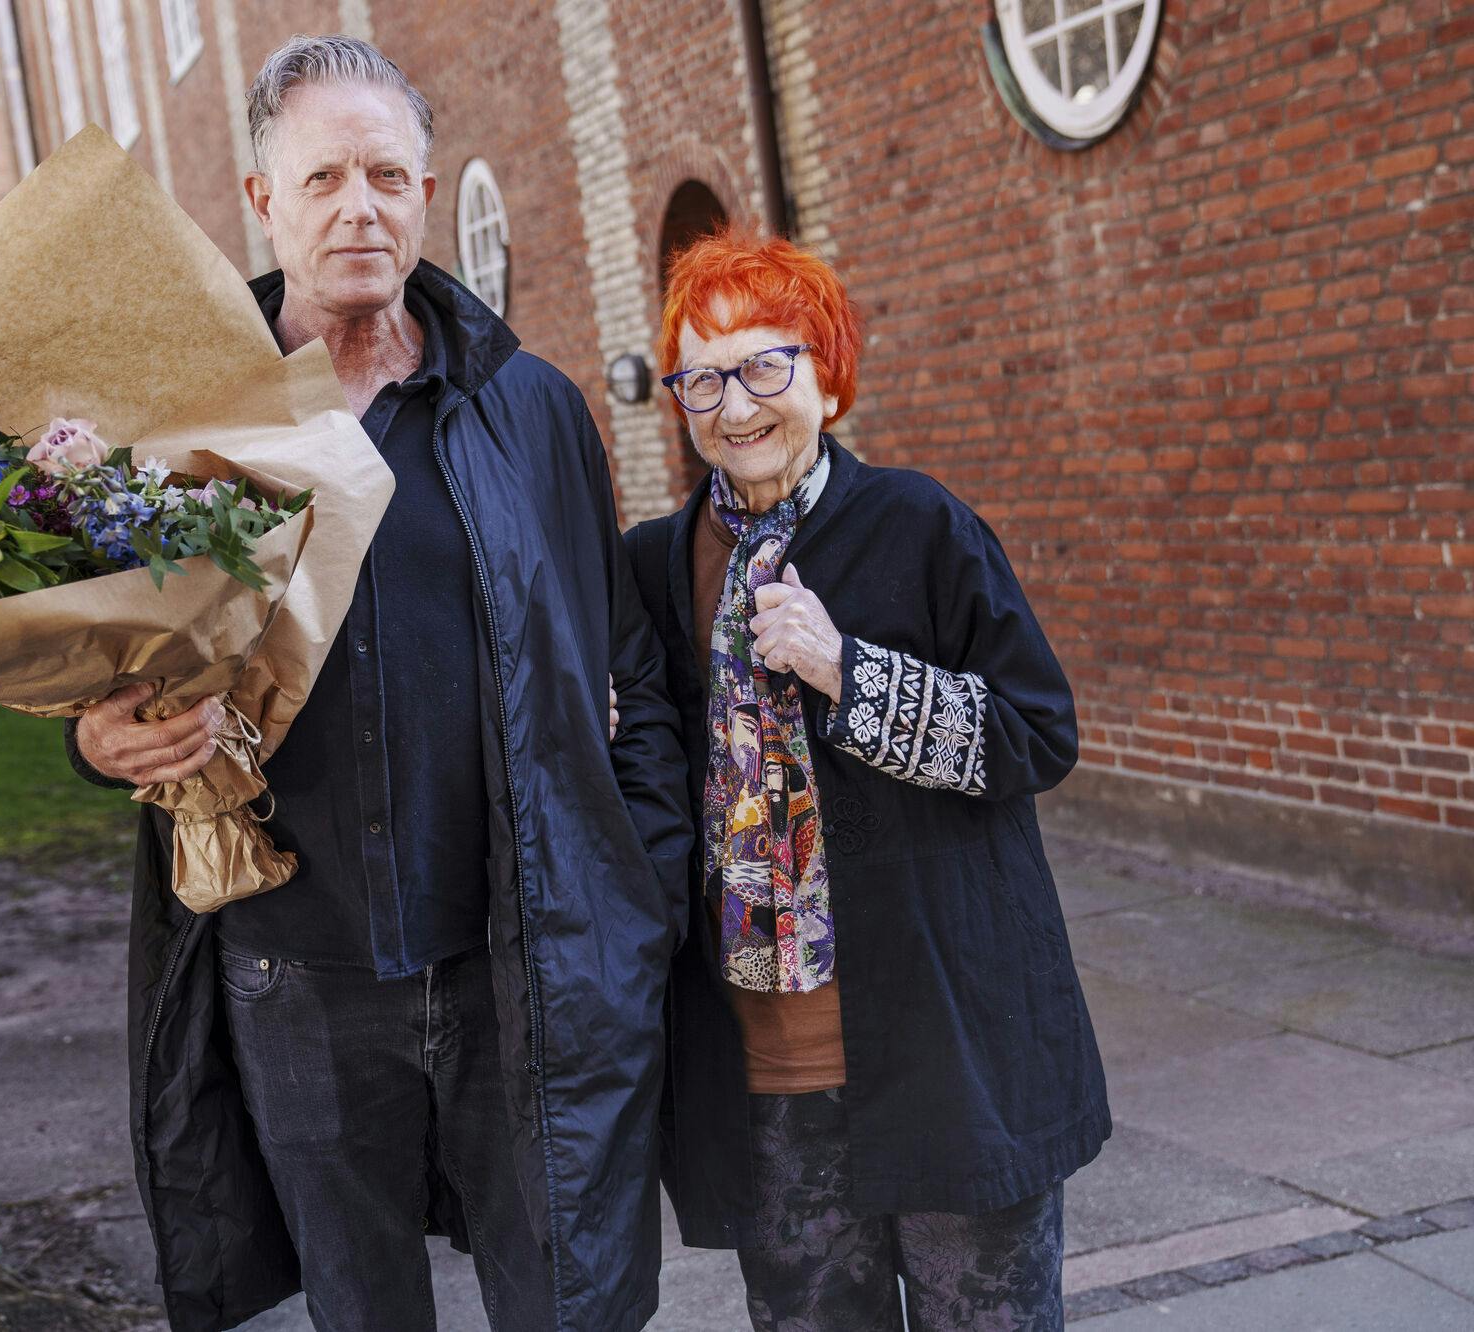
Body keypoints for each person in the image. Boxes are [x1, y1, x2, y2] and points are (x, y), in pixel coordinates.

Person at [64, 35, 691, 1332]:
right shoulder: (186, 428)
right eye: (327, 178)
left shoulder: (531, 411)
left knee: (571, 1306)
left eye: (391, 177)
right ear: (260, 201)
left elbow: (629, 665)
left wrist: (644, 900)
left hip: (520, 962)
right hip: (298, 976)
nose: (363, 207)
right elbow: (99, 666)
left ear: (422, 193)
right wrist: (94, 742)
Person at [625, 228, 1109, 1331]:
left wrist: (850, 672)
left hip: (951, 1050)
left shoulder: (921, 524)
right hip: (766, 1079)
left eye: (764, 364)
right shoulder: (651, 566)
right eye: (701, 376)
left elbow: (1038, 733)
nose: (733, 404)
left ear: (825, 373)